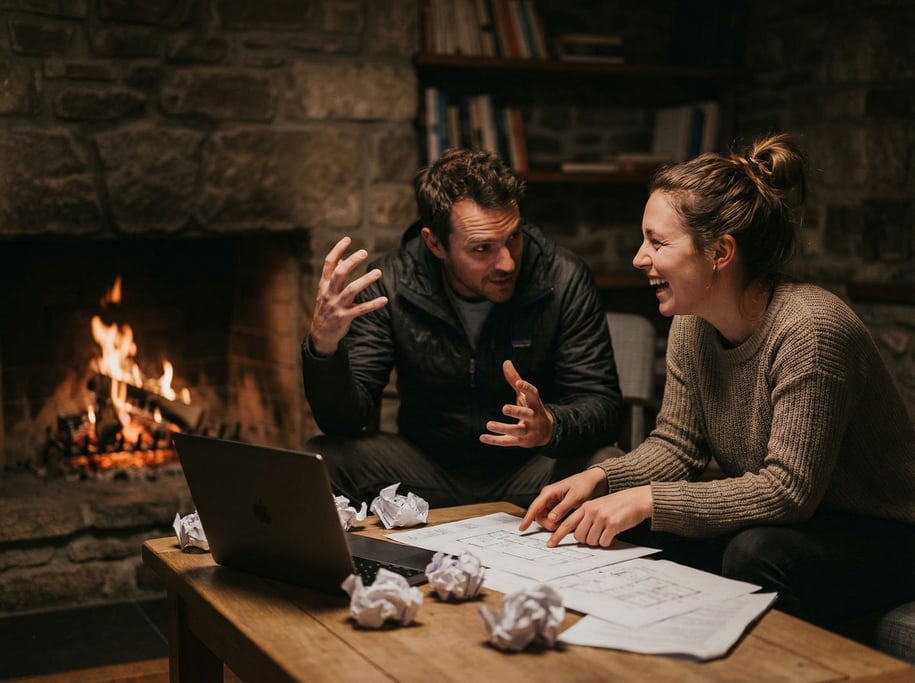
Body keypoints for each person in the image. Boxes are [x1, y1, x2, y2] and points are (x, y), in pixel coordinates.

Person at [521, 133, 915, 626]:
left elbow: (787, 490)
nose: (639, 258)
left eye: (657, 242)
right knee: (642, 531)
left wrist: (647, 499)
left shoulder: (811, 331)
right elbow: (676, 445)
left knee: (757, 552)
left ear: (720, 252)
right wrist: (601, 478)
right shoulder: (693, 319)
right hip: (807, 522)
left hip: (885, 534)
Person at [302, 148, 624, 508]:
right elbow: (343, 422)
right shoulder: (391, 282)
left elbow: (602, 405)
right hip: (425, 467)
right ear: (435, 243)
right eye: (482, 248)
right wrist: (325, 346)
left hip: (532, 467)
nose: (506, 262)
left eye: (514, 238)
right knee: (320, 460)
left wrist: (551, 424)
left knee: (609, 467)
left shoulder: (561, 277)